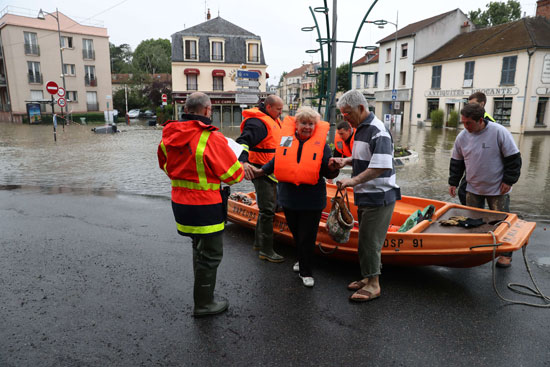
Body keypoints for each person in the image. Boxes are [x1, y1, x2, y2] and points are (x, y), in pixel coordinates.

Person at [157, 92, 244, 317]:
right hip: (206, 206)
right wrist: (239, 163)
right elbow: (234, 175)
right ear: (207, 110)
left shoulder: (168, 134)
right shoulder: (211, 137)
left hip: (180, 203)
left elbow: (166, 167)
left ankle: (203, 298)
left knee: (199, 248)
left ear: (186, 109)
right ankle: (204, 304)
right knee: (211, 255)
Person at [251, 107, 339, 287]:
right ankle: (302, 259)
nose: (307, 127)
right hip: (289, 197)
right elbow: (277, 161)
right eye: (304, 123)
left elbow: (326, 171)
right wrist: (260, 171)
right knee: (297, 234)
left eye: (311, 124)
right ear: (296, 124)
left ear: (316, 126)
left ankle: (306, 271)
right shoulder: (287, 140)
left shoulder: (321, 144)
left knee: (307, 236)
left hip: (312, 199)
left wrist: (333, 168)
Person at [329, 90, 401, 302]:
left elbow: (380, 167)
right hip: (366, 194)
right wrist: (346, 161)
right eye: (342, 114)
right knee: (365, 240)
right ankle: (368, 277)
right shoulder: (361, 128)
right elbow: (366, 157)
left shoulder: (378, 131)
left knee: (370, 242)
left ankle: (374, 285)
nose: (345, 118)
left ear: (361, 108)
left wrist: (352, 181)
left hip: (379, 196)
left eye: (347, 113)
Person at [448, 102, 521, 268]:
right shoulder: (462, 137)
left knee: (502, 222)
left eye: (469, 123)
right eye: (463, 122)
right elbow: (456, 162)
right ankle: (475, 251)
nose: (465, 126)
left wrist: (509, 180)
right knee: (472, 222)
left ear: (480, 120)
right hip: (473, 187)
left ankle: (505, 255)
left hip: (497, 188)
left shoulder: (498, 131)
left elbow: (514, 159)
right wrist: (453, 182)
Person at [236, 95, 285, 263]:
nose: (281, 112)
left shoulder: (273, 120)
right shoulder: (257, 122)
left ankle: (259, 243)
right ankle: (266, 250)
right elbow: (242, 142)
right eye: (278, 109)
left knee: (266, 209)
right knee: (267, 211)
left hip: (271, 170)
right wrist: (242, 162)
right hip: (260, 171)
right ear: (269, 107)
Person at [457, 92, 496, 205]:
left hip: (482, 164)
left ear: (482, 104)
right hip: (472, 161)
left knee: (466, 191)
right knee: (464, 191)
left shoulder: (488, 121)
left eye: (473, 104)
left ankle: (475, 214)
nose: (470, 107)